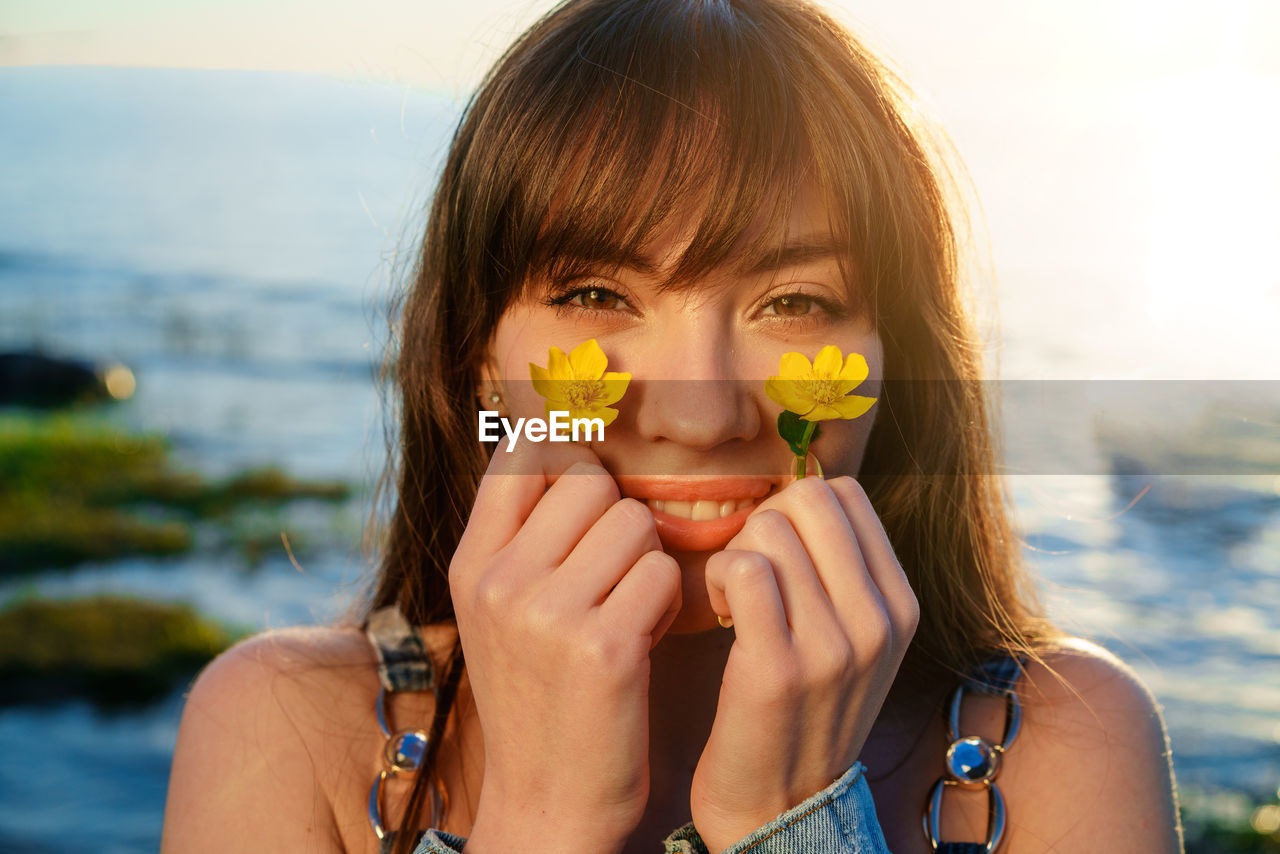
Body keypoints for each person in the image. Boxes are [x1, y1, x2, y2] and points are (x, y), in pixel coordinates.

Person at [161, 0, 1184, 852]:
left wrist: (787, 820)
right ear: (479, 354)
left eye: (793, 302)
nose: (698, 415)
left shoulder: (1058, 748)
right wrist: (544, 818)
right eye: (599, 293)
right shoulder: (286, 728)